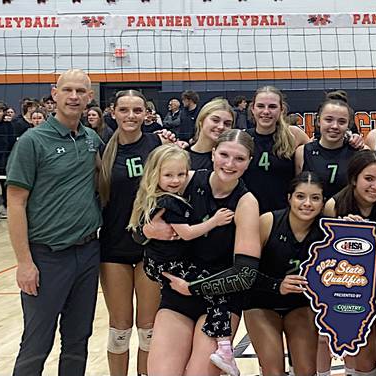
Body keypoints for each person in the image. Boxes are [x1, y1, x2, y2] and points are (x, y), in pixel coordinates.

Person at [7, 69, 103, 375]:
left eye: (81, 91)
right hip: (46, 257)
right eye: (67, 90)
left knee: (78, 339)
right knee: (36, 343)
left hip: (87, 253)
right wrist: (24, 262)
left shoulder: (91, 139)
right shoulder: (32, 141)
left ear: (90, 97)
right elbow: (15, 203)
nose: (74, 97)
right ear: (54, 93)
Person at [147, 129, 261, 375]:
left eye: (239, 158)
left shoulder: (246, 203)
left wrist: (193, 287)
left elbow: (245, 274)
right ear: (213, 153)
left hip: (220, 299)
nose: (229, 164)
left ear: (249, 162)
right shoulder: (185, 179)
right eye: (224, 155)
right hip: (177, 293)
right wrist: (145, 231)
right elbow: (141, 215)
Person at [128, 144, 239, 375]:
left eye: (181, 174)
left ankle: (223, 347)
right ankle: (225, 347)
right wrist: (214, 221)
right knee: (215, 291)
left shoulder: (158, 196)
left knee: (214, 290)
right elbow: (186, 233)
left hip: (166, 268)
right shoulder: (169, 202)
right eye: (169, 175)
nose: (176, 180)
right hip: (172, 270)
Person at [98, 89, 173, 376]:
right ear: (113, 112)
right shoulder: (101, 149)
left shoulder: (158, 144)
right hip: (113, 248)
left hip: (150, 248)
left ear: (146, 114)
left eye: (137, 110)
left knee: (148, 328)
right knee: (119, 329)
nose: (131, 116)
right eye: (124, 110)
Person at [323, 150, 376, 376]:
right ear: (353, 178)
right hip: (353, 290)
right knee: (363, 354)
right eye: (369, 179)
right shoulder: (334, 206)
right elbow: (327, 261)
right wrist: (342, 232)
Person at [240, 172, 328, 376]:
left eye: (315, 198)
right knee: (273, 370)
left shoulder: (328, 231)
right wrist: (276, 284)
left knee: (307, 370)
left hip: (300, 304)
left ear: (323, 202)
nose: (307, 204)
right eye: (300, 196)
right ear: (289, 198)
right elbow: (244, 272)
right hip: (261, 302)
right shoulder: (268, 222)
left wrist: (355, 226)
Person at [243, 86, 311, 213]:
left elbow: (318, 153)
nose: (266, 111)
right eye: (260, 106)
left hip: (285, 214)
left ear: (281, 110)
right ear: (252, 109)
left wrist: (347, 139)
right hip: (249, 212)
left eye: (272, 107)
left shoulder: (293, 135)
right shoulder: (243, 138)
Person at [295, 91, 361, 199]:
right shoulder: (302, 152)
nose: (334, 126)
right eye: (328, 120)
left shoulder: (359, 153)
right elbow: (298, 193)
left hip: (347, 210)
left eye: (342, 122)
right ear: (318, 121)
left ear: (348, 125)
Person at [187, 98, 235, 170]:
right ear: (201, 121)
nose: (221, 127)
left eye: (227, 124)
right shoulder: (181, 154)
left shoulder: (230, 160)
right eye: (215, 120)